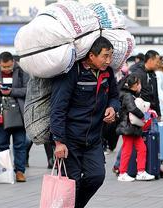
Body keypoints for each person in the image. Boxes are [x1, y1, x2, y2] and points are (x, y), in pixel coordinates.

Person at [50, 36, 120, 208]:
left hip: (94, 139)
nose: (108, 60)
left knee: (96, 176)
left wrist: (112, 107)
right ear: (91, 56)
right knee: (72, 184)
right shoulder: (72, 73)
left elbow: (114, 96)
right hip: (70, 140)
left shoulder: (107, 73)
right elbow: (58, 108)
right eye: (105, 56)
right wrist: (59, 142)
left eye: (111, 55)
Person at [0, 51, 29, 182]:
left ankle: (20, 171)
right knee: (3, 145)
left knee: (20, 144)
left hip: (18, 115)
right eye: (4, 67)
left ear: (13, 62)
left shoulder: (21, 71)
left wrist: (12, 91)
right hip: (1, 116)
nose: (6, 69)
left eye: (9, 66)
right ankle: (5, 172)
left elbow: (28, 90)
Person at [134, 50, 163, 178]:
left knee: (152, 138)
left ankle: (155, 165)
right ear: (149, 60)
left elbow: (155, 95)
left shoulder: (153, 74)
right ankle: (119, 165)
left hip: (152, 112)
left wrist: (158, 112)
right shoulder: (138, 73)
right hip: (142, 112)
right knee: (134, 138)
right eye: (157, 60)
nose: (159, 63)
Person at [116, 73, 155, 182]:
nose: (140, 86)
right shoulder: (128, 96)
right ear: (135, 85)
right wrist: (145, 116)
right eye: (139, 84)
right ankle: (122, 173)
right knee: (127, 150)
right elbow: (132, 109)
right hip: (128, 128)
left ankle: (141, 172)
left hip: (133, 128)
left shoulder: (130, 95)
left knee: (141, 148)